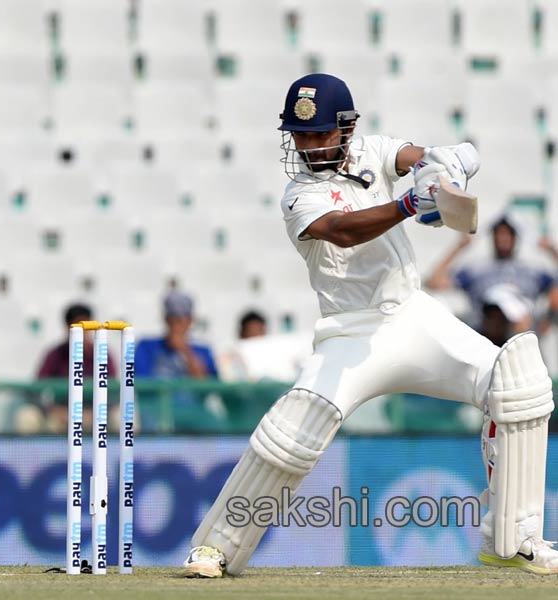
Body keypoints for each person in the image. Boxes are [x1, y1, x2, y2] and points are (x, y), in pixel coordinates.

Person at [184, 73, 557, 577]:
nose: (308, 145)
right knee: (291, 433)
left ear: (347, 127)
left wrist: (445, 166)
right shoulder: (298, 196)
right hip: (350, 331)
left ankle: (513, 539)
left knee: (519, 382)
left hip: (411, 313)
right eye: (299, 134)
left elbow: (415, 157)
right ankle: (217, 546)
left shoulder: (372, 151)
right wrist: (408, 204)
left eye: (319, 134)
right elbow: (340, 232)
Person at [426, 216, 558, 335]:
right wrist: (458, 248)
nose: (503, 238)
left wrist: (553, 251)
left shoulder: (532, 271)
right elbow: (433, 282)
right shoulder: (475, 270)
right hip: (485, 343)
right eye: (499, 233)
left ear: (515, 238)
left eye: (508, 233)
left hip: (523, 343)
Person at [134, 289, 219, 431]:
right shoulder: (145, 347)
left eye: (182, 318)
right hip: (157, 415)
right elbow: (143, 387)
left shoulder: (203, 351)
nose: (177, 323)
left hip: (193, 417)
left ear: (191, 320)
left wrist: (185, 351)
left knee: (215, 425)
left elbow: (207, 389)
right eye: (172, 317)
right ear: (165, 318)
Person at [26, 302, 117, 433]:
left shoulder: (103, 354)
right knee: (44, 421)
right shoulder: (54, 355)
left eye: (86, 326)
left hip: (97, 414)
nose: (84, 332)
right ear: (67, 327)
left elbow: (113, 392)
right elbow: (36, 389)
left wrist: (96, 413)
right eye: (78, 327)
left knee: (123, 417)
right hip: (62, 415)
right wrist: (56, 411)